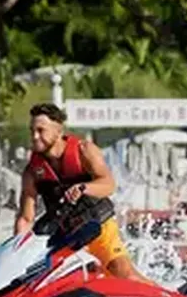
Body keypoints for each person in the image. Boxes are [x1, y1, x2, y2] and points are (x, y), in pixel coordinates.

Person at [14, 102, 145, 281]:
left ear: (58, 131)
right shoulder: (32, 172)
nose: (35, 136)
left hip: (99, 227)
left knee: (125, 276)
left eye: (41, 130)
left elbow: (109, 184)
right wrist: (16, 254)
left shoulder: (84, 151)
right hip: (65, 238)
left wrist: (84, 188)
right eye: (32, 131)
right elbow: (26, 219)